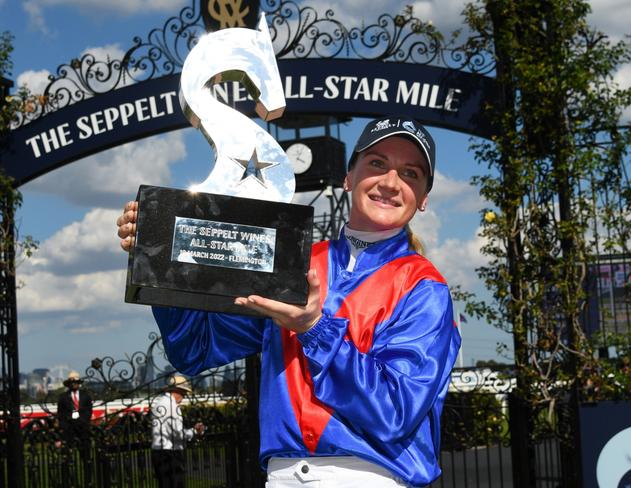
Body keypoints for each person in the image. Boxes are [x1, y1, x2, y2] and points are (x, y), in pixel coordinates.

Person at [117, 115, 461, 487]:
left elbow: (395, 412)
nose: (391, 183)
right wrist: (158, 256)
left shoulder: (425, 289)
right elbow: (194, 349)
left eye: (410, 173)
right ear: (349, 176)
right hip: (281, 477)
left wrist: (314, 329)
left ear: (423, 198)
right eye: (377, 163)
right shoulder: (292, 263)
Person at [150, 374, 205, 488]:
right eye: (183, 393)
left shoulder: (160, 403)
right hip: (170, 453)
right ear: (177, 390)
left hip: (159, 452)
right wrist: (194, 431)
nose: (184, 397)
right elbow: (178, 434)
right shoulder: (171, 406)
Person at [56, 371, 93, 486]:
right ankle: (68, 480)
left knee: (86, 456)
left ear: (78, 383)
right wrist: (68, 423)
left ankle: (88, 479)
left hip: (83, 429)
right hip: (69, 430)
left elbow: (88, 411)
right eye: (72, 383)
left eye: (76, 382)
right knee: (67, 458)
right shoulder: (63, 397)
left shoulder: (86, 396)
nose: (74, 385)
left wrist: (81, 421)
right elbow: (60, 415)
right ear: (68, 384)